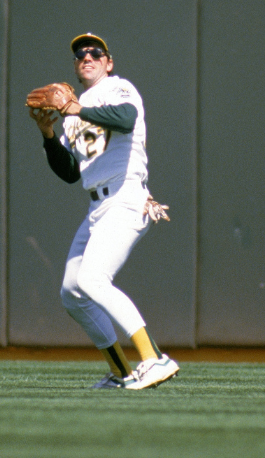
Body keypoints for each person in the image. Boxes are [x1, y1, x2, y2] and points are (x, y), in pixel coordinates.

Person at [28, 33, 179, 391]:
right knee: (72, 292)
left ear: (108, 62)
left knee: (93, 279)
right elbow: (68, 172)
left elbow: (125, 119)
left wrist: (76, 109)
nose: (87, 57)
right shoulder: (71, 114)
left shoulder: (118, 88)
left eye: (96, 52)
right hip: (97, 206)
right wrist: (48, 134)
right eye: (80, 55)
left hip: (126, 197)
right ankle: (123, 373)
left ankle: (155, 359)